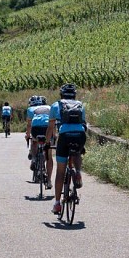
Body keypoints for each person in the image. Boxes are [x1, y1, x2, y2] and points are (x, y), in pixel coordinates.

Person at [46, 84, 87, 215]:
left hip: (64, 136)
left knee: (60, 172)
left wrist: (47, 143)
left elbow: (50, 128)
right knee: (78, 152)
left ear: (61, 95)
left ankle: (57, 204)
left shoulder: (55, 105)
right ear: (74, 95)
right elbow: (84, 124)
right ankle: (78, 171)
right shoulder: (80, 105)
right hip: (80, 135)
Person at [25, 95, 53, 189]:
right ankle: (49, 181)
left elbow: (29, 125)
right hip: (47, 128)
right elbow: (53, 124)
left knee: (34, 142)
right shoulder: (49, 108)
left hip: (36, 129)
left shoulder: (30, 109)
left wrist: (27, 135)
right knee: (49, 155)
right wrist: (55, 136)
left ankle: (33, 158)